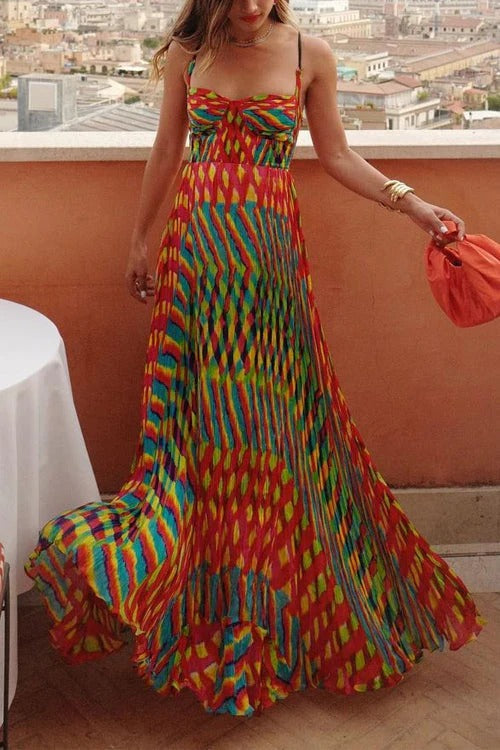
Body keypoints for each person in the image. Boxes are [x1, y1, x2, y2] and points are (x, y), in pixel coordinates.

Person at [26, 0, 486, 718]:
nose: (248, 5)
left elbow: (336, 154)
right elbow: (167, 148)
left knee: (271, 421)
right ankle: (202, 581)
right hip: (198, 252)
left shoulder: (309, 53)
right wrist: (140, 241)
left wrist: (414, 205)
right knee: (200, 422)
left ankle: (265, 585)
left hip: (269, 261)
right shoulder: (189, 52)